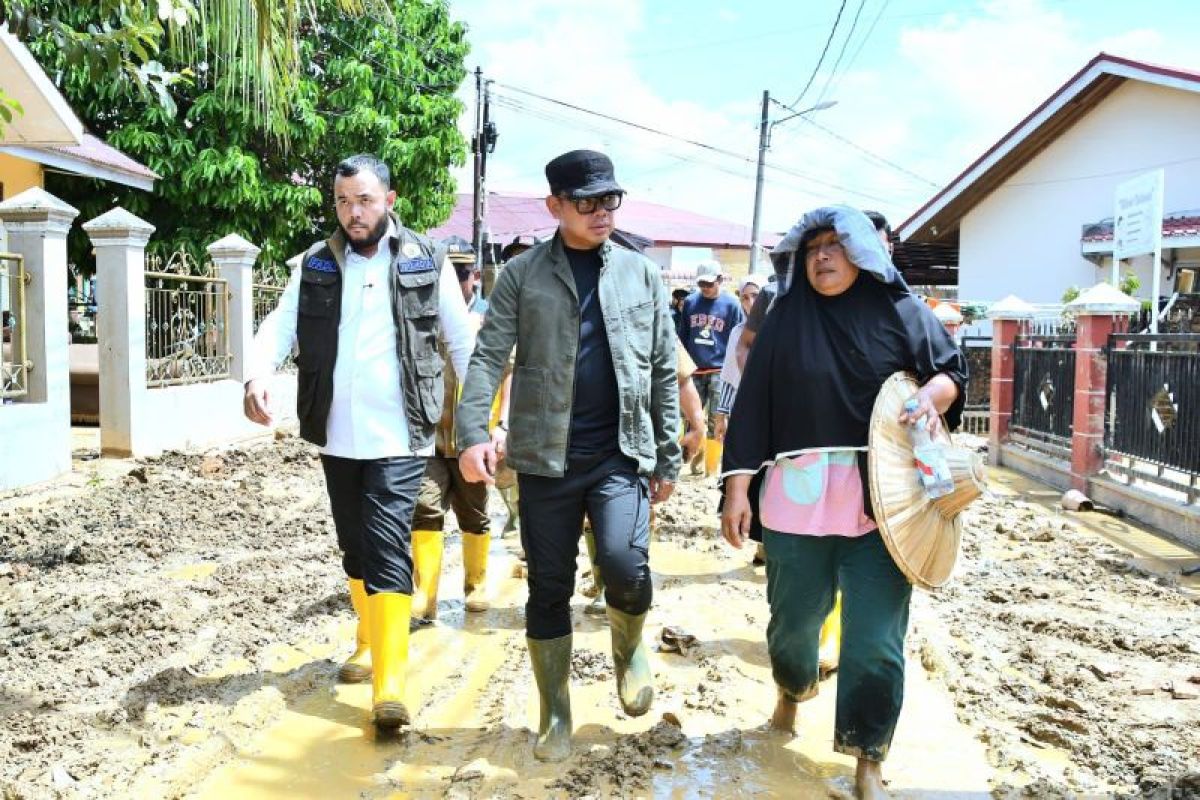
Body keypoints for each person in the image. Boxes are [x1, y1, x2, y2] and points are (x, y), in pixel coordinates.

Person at [720, 206, 967, 800]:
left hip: (887, 504)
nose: (823, 256)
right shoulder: (784, 318)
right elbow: (753, 405)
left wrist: (932, 396)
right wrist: (736, 488)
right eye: (813, 248)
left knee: (876, 639)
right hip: (795, 499)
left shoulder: (903, 312)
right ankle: (792, 689)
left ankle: (868, 759)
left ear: (863, 252)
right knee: (793, 626)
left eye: (836, 245)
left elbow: (951, 373)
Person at [456, 149, 680, 762]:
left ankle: (628, 648)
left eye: (610, 200)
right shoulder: (523, 274)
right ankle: (555, 712)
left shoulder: (641, 274)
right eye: (587, 202)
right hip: (543, 457)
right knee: (549, 586)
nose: (601, 212)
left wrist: (666, 455)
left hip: (619, 453)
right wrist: (474, 431)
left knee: (625, 566)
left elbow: (663, 367)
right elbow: (489, 355)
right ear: (555, 205)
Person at [242, 154, 474, 731]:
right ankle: (369, 641)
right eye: (343, 201)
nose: (353, 212)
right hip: (338, 433)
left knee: (386, 543)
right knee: (354, 546)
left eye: (364, 200)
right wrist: (257, 373)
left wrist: (479, 420)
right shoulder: (316, 263)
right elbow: (281, 323)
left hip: (403, 433)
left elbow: (461, 340)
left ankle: (390, 685)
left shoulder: (427, 260)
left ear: (389, 201)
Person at [407, 245, 496, 622]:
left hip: (469, 437)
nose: (456, 283)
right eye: (449, 275)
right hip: (428, 435)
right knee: (425, 509)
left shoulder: (490, 318)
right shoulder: (423, 312)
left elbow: (508, 372)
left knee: (473, 513)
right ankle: (425, 596)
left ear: (474, 276)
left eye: (462, 275)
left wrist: (498, 427)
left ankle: (476, 584)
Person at [677, 261, 743, 475]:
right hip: (694, 369)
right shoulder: (690, 302)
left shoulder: (732, 305)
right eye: (701, 284)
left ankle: (711, 468)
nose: (705, 287)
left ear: (719, 280)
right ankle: (693, 460)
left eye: (709, 283)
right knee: (691, 417)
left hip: (718, 370)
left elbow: (738, 339)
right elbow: (682, 336)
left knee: (716, 418)